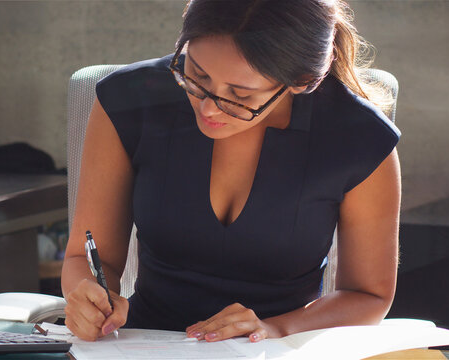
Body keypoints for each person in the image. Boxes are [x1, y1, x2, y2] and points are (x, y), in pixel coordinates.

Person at [61, 0, 401, 343]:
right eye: (196, 74)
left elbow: (368, 295)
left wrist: (276, 329)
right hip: (144, 344)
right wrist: (86, 298)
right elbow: (85, 257)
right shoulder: (127, 100)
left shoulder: (359, 138)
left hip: (274, 350)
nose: (209, 107)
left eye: (239, 94)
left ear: (302, 80)